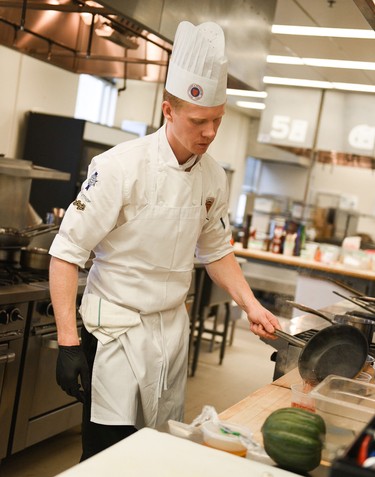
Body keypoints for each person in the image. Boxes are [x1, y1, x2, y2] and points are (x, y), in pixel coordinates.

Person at [49, 20, 280, 461]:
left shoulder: (213, 174)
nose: (210, 133)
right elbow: (65, 254)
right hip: (114, 330)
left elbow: (216, 249)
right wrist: (67, 342)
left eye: (217, 120)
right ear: (168, 111)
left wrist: (250, 305)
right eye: (199, 121)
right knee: (106, 454)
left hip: (171, 331)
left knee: (155, 450)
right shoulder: (120, 167)